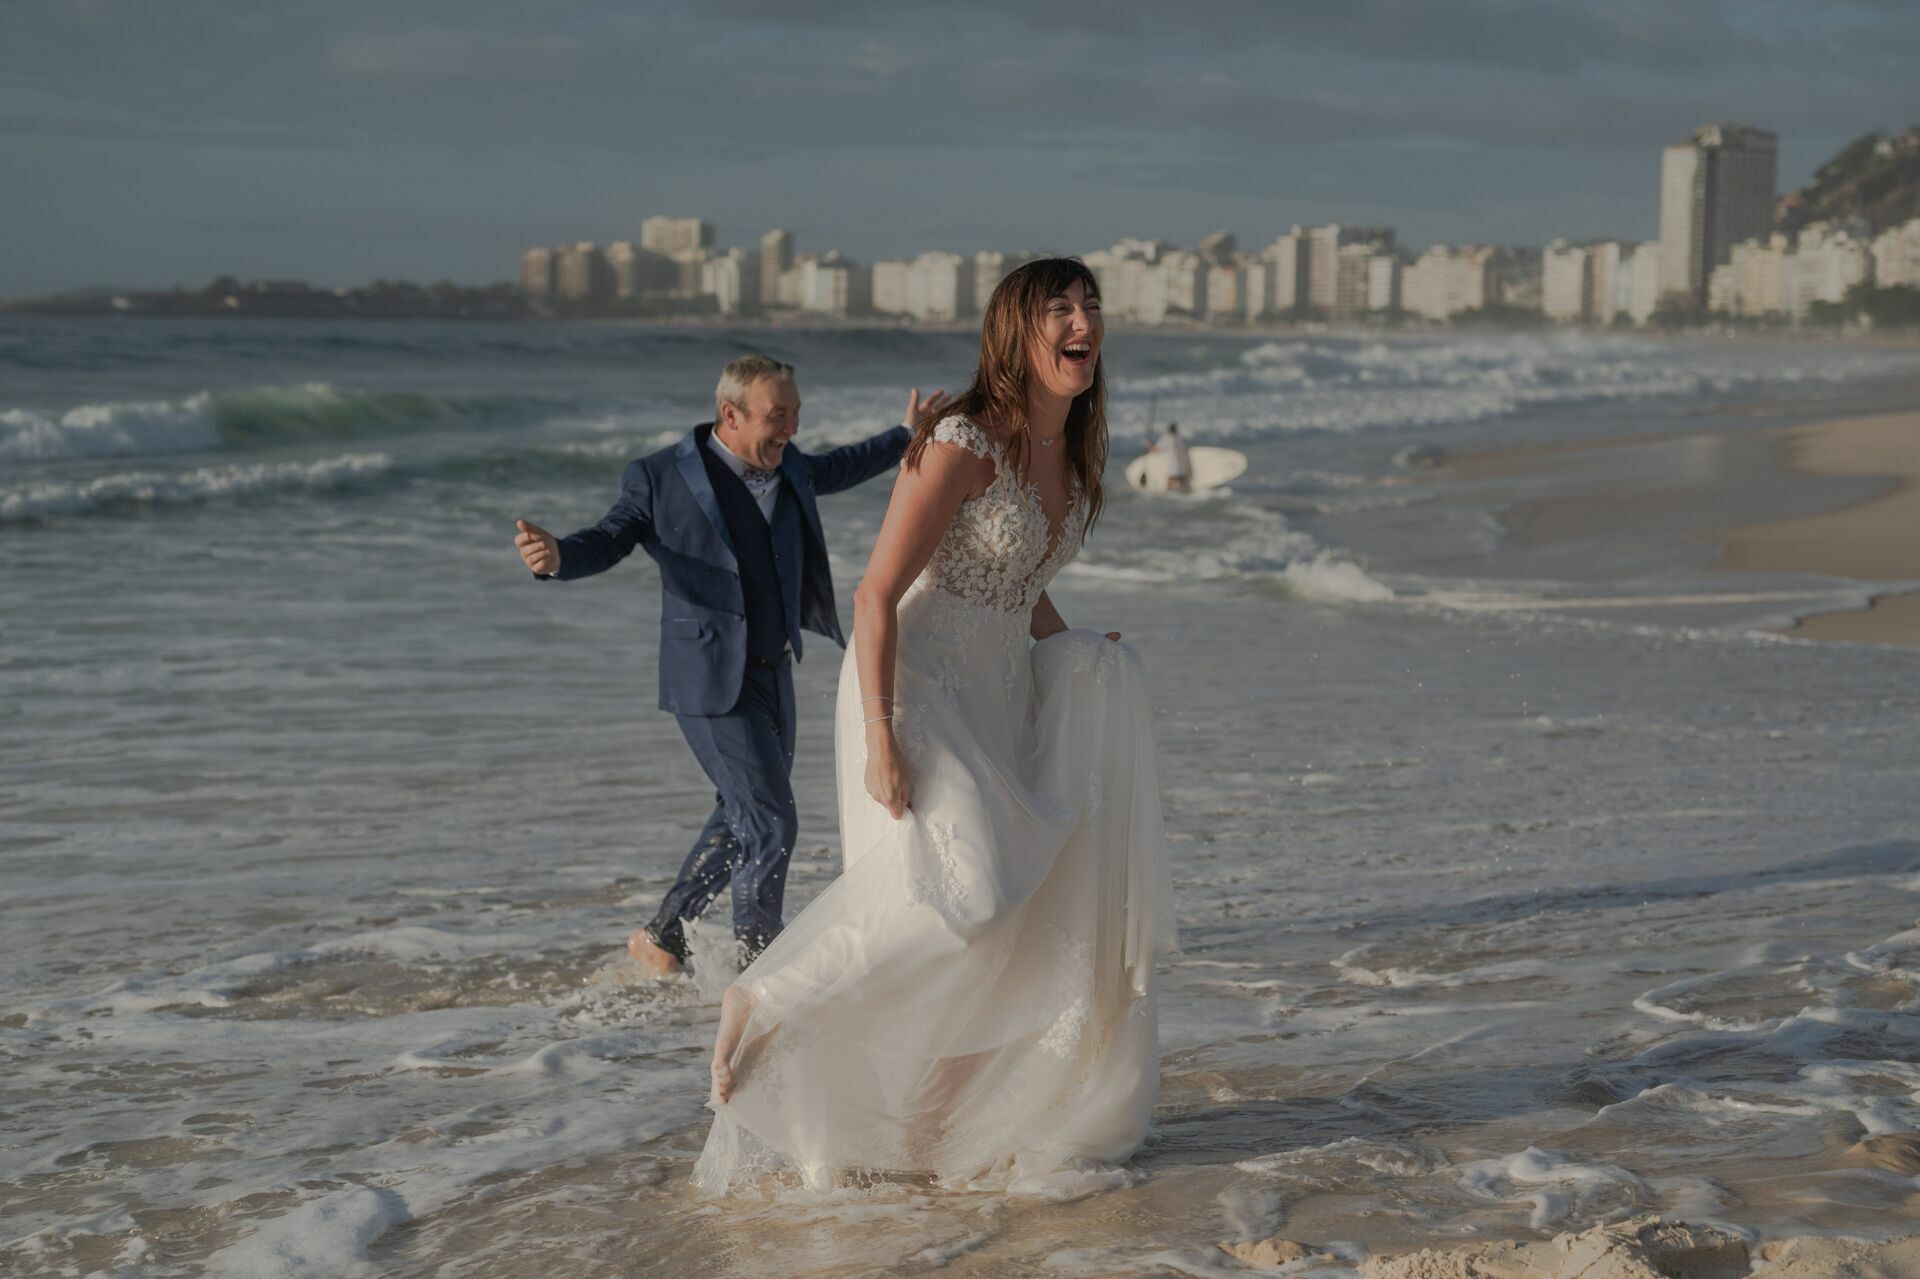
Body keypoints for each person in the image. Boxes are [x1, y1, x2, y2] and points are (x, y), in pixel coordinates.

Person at [692, 260, 1176, 1197]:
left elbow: (1021, 587)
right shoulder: (965, 438)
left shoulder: (1071, 450)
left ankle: (922, 1130)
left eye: (1090, 306)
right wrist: (880, 738)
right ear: (1015, 334)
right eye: (1058, 309)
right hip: (907, 680)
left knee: (991, 936)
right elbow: (876, 595)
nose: (1083, 322)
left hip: (996, 693)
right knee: (970, 890)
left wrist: (1077, 647)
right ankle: (766, 995)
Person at [513, 357, 946, 974]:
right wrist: (556, 557)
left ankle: (663, 936)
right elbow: (609, 537)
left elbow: (836, 468)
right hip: (708, 677)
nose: (790, 429)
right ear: (731, 414)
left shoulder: (789, 463)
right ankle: (757, 977)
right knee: (772, 821)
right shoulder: (660, 476)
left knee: (743, 813)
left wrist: (904, 437)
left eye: (796, 414)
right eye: (777, 416)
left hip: (774, 669)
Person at [1150, 421, 1191, 493]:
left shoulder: (1167, 438)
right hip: (1184, 469)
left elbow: (1155, 450)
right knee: (1182, 488)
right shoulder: (1180, 438)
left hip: (1173, 468)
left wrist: (1148, 445)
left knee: (1169, 487)